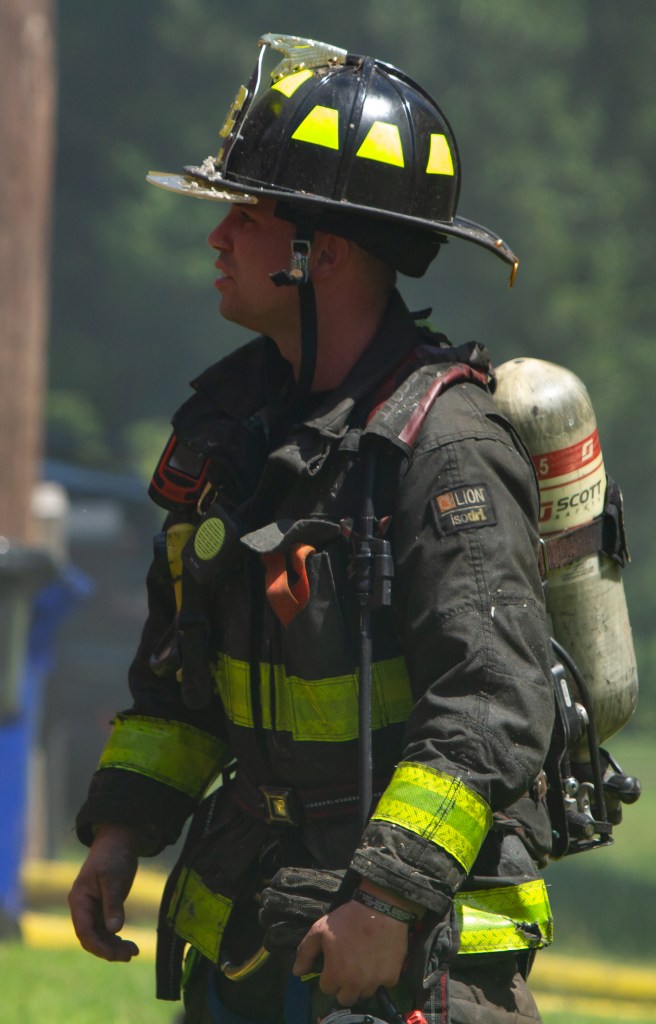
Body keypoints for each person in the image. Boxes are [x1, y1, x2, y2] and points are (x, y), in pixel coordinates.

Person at [69, 34, 556, 1024]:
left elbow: (490, 703)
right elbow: (181, 675)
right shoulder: (231, 434)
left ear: (319, 253)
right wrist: (121, 830)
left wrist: (386, 898)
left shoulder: (444, 448)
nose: (217, 238)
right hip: (254, 927)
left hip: (406, 959)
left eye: (245, 216)